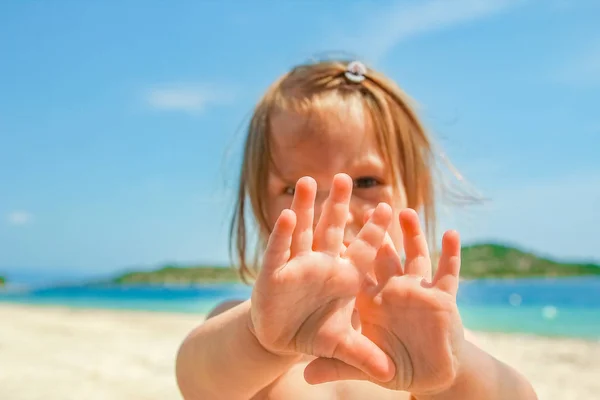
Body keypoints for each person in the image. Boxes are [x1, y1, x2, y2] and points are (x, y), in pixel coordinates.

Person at [175, 59, 538, 399]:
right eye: (295, 190)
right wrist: (261, 338)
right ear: (258, 206)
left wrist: (453, 374)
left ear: (415, 194)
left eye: (365, 182)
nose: (334, 210)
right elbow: (197, 382)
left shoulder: (436, 340)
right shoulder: (245, 327)